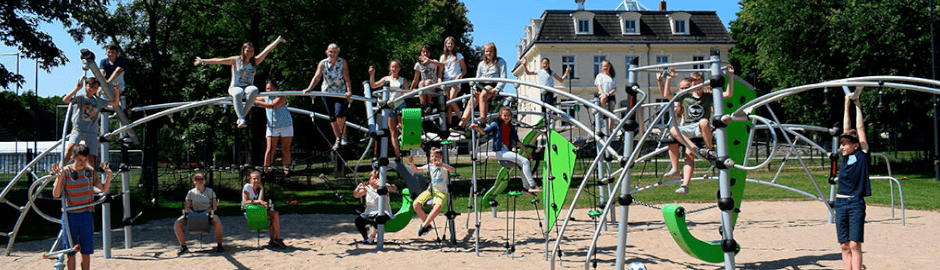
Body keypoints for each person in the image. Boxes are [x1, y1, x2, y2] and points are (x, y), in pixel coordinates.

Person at [659, 66, 735, 195]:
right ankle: (684, 184)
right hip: (689, 129)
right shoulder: (686, 96)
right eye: (695, 84)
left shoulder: (708, 96)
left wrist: (730, 77)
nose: (698, 87)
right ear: (691, 85)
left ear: (704, 84)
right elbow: (666, 95)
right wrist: (669, 79)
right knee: (675, 133)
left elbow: (728, 94)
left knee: (704, 121)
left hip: (701, 128)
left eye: (700, 84)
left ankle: (709, 151)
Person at [194, 36, 286, 129]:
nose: (250, 53)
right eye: (247, 51)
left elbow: (266, 50)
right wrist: (202, 61)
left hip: (248, 86)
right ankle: (241, 118)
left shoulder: (255, 61)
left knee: (254, 90)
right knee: (238, 93)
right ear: (243, 50)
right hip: (236, 86)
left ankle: (242, 116)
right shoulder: (236, 60)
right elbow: (219, 60)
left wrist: (277, 41)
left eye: (252, 51)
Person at [50, 144, 113, 270]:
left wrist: (109, 175)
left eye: (84, 160)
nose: (82, 163)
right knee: (71, 252)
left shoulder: (89, 171)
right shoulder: (66, 172)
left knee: (86, 252)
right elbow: (56, 194)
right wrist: (59, 178)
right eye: (79, 160)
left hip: (86, 214)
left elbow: (104, 190)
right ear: (72, 157)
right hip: (70, 215)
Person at [468, 106, 540, 193]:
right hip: (500, 152)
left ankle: (525, 188)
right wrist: (477, 127)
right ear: (500, 115)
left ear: (511, 116)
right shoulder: (496, 124)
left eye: (509, 115)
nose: (507, 117)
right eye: (504, 115)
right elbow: (484, 132)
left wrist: (527, 152)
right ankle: (532, 185)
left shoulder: (511, 127)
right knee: (525, 161)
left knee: (522, 165)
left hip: (507, 151)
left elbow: (517, 141)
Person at [836, 91, 871, 270]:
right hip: (841, 203)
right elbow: (846, 128)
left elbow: (860, 130)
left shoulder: (861, 156)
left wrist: (857, 104)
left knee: (855, 244)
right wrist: (846, 104)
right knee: (844, 245)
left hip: (855, 203)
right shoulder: (844, 158)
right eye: (841, 144)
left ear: (855, 145)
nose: (841, 147)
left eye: (845, 144)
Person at [62, 77, 120, 169]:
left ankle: (91, 177)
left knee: (91, 156)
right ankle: (61, 169)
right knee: (70, 148)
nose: (93, 89)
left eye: (95, 87)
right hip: (78, 129)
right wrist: (77, 89)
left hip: (91, 131)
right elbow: (65, 100)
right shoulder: (80, 97)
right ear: (86, 86)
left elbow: (115, 103)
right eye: (91, 86)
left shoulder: (98, 100)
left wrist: (116, 91)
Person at [303, 43, 353, 150]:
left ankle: (343, 135)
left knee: (339, 113)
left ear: (338, 52)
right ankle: (337, 138)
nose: (332, 54)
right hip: (327, 92)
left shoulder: (342, 62)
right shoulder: (323, 63)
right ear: (327, 52)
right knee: (331, 116)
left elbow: (347, 77)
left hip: (339, 91)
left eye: (335, 52)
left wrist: (349, 91)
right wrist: (309, 89)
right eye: (330, 51)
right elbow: (317, 77)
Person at [408, 148, 455, 237]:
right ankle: (427, 225)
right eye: (432, 156)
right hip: (431, 190)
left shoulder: (443, 166)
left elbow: (452, 170)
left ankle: (424, 226)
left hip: (441, 192)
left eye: (436, 156)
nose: (434, 158)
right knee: (416, 204)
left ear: (441, 157)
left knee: (437, 207)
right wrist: (411, 163)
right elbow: (416, 170)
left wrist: (443, 165)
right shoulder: (430, 166)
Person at [173, 173, 224, 255]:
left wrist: (205, 213)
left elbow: (214, 206)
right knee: (177, 224)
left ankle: (220, 245)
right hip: (193, 213)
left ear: (204, 180)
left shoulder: (210, 191)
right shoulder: (191, 193)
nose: (200, 181)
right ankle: (183, 246)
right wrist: (194, 214)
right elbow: (187, 207)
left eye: (202, 179)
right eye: (198, 179)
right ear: (194, 181)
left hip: (207, 213)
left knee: (217, 222)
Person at [459, 42, 506, 129]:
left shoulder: (500, 62)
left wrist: (497, 89)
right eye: (486, 51)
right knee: (472, 101)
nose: (488, 53)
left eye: (490, 51)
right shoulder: (481, 64)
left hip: (492, 83)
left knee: (483, 95)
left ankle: (483, 122)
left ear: (494, 52)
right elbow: (477, 78)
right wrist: (473, 88)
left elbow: (503, 77)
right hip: (480, 84)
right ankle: (461, 125)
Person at [369, 60, 409, 161]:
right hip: (389, 105)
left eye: (396, 67)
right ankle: (398, 156)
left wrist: (405, 93)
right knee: (393, 132)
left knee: (402, 127)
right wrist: (372, 74)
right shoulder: (386, 79)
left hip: (400, 104)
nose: (394, 69)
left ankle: (406, 149)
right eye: (392, 67)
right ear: (389, 68)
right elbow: (373, 85)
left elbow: (407, 92)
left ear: (399, 69)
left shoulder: (403, 80)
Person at [254, 80, 293, 175]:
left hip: (286, 125)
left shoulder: (281, 97)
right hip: (272, 126)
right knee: (270, 148)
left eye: (271, 89)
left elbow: (272, 105)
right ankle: (266, 169)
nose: (269, 91)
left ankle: (287, 169)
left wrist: (255, 101)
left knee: (285, 148)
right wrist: (251, 99)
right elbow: (256, 98)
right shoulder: (266, 97)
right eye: (267, 89)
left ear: (276, 89)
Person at [352, 170, 398, 244]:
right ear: (369, 179)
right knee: (358, 221)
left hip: (383, 211)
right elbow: (356, 195)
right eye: (373, 178)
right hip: (370, 212)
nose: (375, 180)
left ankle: (371, 238)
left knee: (379, 218)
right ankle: (365, 237)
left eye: (377, 178)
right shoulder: (367, 188)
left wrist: (383, 184)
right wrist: (358, 188)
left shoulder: (384, 187)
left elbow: (394, 189)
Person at [242, 171, 286, 248]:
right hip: (250, 211)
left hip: (258, 209)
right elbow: (246, 201)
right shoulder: (247, 187)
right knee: (273, 218)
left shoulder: (259, 189)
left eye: (257, 179)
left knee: (275, 215)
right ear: (250, 180)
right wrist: (259, 202)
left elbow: (260, 200)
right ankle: (276, 240)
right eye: (254, 179)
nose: (256, 181)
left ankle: (276, 239)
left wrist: (262, 190)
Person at [438, 37, 466, 126]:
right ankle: (449, 125)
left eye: (451, 43)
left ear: (454, 45)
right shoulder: (442, 57)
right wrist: (439, 81)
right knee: (448, 105)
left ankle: (462, 120)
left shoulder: (458, 55)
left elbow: (464, 70)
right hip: (446, 81)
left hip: (455, 80)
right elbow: (440, 72)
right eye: (448, 43)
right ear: (445, 45)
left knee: (451, 100)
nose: (450, 45)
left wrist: (459, 76)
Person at [412, 44, 443, 115]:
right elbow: (415, 79)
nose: (425, 54)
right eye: (424, 52)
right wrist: (410, 90)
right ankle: (423, 105)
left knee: (427, 82)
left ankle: (429, 104)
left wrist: (429, 61)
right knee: (421, 83)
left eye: (427, 52)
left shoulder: (433, 61)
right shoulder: (418, 64)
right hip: (423, 86)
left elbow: (442, 65)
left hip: (433, 85)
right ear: (420, 53)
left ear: (430, 53)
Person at [594, 59, 617, 135]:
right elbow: (599, 86)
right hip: (602, 95)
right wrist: (603, 93)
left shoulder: (612, 76)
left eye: (606, 66)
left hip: (610, 95)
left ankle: (611, 129)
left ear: (609, 66)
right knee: (603, 99)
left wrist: (609, 94)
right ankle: (602, 118)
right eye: (603, 66)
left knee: (612, 107)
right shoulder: (599, 76)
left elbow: (614, 88)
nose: (605, 68)